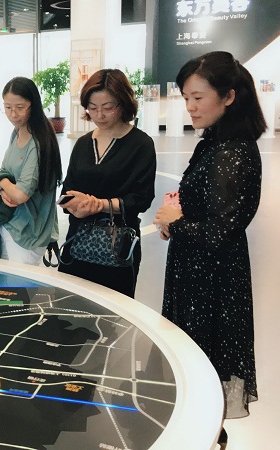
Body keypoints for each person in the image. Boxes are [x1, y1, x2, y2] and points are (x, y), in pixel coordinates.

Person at [153, 51, 265, 448]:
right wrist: (176, 221)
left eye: (198, 97)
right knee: (195, 359)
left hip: (212, 279)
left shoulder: (233, 151)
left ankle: (207, 437)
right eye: (186, 97)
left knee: (204, 360)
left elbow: (220, 232)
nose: (190, 106)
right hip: (195, 269)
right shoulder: (215, 142)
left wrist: (176, 223)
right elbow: (208, 212)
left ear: (229, 96)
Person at [58, 69, 156, 298]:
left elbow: (141, 199)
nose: (99, 115)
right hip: (78, 241)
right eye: (92, 108)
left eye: (108, 107)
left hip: (117, 245)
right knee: (71, 305)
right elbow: (67, 189)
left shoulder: (140, 144)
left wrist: (100, 205)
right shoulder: (83, 144)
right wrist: (73, 206)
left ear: (123, 103)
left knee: (113, 308)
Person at [0, 77, 62, 265]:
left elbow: (20, 195)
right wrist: (4, 187)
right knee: (4, 283)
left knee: (19, 284)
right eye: (7, 107)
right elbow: (4, 170)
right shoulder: (17, 132)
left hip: (29, 234)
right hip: (10, 224)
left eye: (20, 107)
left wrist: (1, 183)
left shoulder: (38, 142)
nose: (13, 114)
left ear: (33, 105)